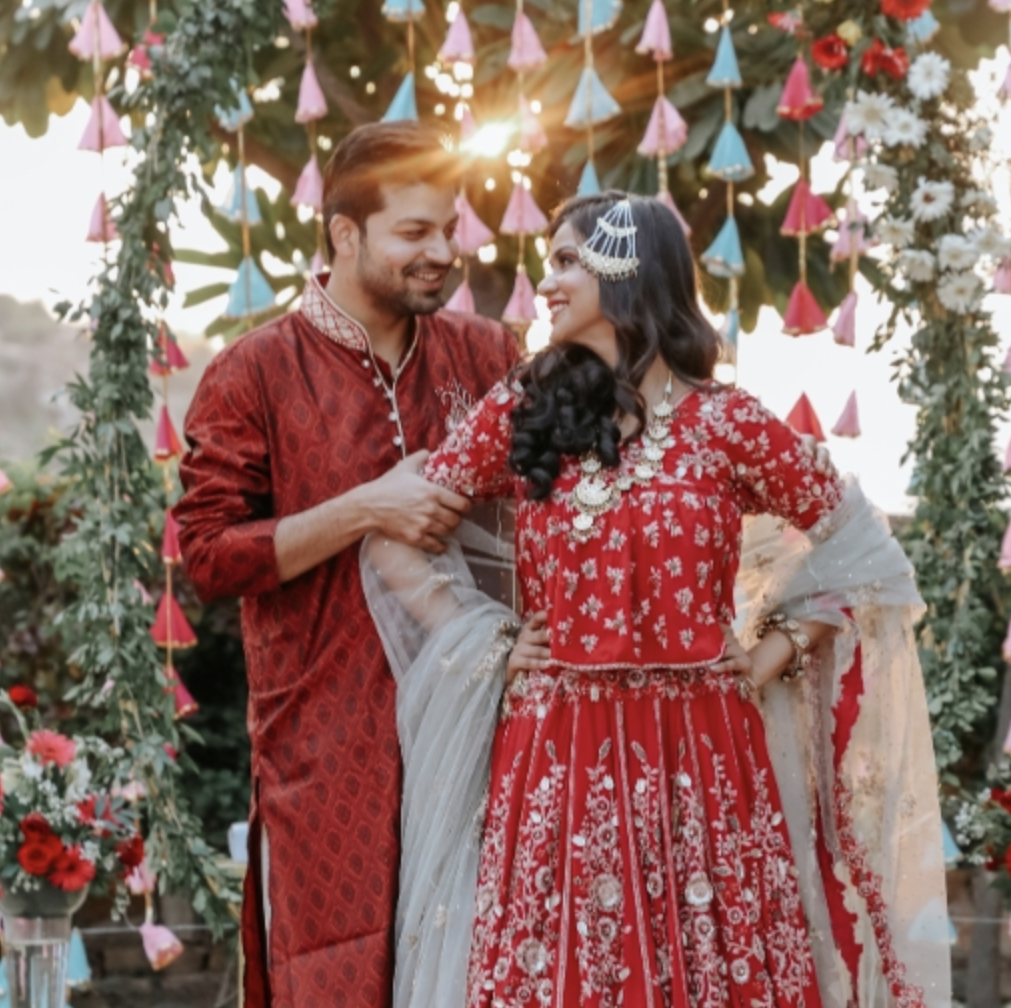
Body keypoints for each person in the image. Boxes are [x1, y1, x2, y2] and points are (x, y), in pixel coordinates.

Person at [362, 192, 951, 1008]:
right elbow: (394, 532)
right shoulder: (526, 408)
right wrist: (485, 637)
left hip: (705, 756)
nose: (548, 281)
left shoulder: (727, 425)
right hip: (558, 753)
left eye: (568, 261)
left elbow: (868, 557)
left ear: (629, 271)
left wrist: (766, 653)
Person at [174, 121, 522, 1008]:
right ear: (343, 234)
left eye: (449, 229)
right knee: (336, 980)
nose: (442, 253)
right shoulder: (253, 373)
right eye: (414, 233)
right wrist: (368, 506)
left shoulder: (487, 357)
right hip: (328, 753)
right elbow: (209, 555)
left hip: (487, 739)